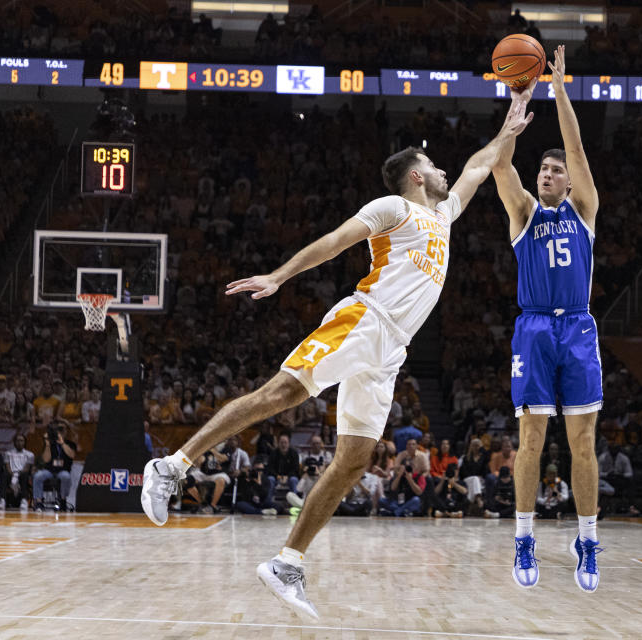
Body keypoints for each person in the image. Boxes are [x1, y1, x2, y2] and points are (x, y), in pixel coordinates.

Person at [141, 88, 536, 619]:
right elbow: (335, 240)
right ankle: (171, 466)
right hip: (364, 321)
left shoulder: (443, 215)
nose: (442, 170)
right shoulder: (394, 207)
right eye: (433, 166)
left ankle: (287, 562)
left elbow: (478, 167)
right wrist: (279, 276)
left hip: (391, 350)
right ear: (415, 175)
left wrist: (510, 127)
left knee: (354, 459)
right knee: (279, 394)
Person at [491, 45, 603, 591]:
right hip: (534, 328)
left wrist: (558, 89)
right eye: (544, 168)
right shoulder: (524, 213)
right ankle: (524, 536)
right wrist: (515, 114)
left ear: (569, 182)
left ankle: (587, 540)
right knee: (530, 440)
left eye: (555, 170)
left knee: (583, 442)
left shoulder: (583, 212)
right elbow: (499, 165)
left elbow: (578, 148)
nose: (548, 173)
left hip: (578, 327)